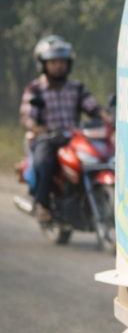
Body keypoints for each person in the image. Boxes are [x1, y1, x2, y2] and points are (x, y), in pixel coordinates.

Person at [19, 36, 107, 222]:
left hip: (72, 137)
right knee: (45, 162)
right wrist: (36, 127)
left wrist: (107, 118)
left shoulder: (76, 88)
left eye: (62, 61)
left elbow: (93, 108)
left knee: (99, 157)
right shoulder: (35, 89)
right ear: (43, 64)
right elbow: (27, 115)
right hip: (47, 139)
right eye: (54, 62)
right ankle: (42, 204)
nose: (59, 66)